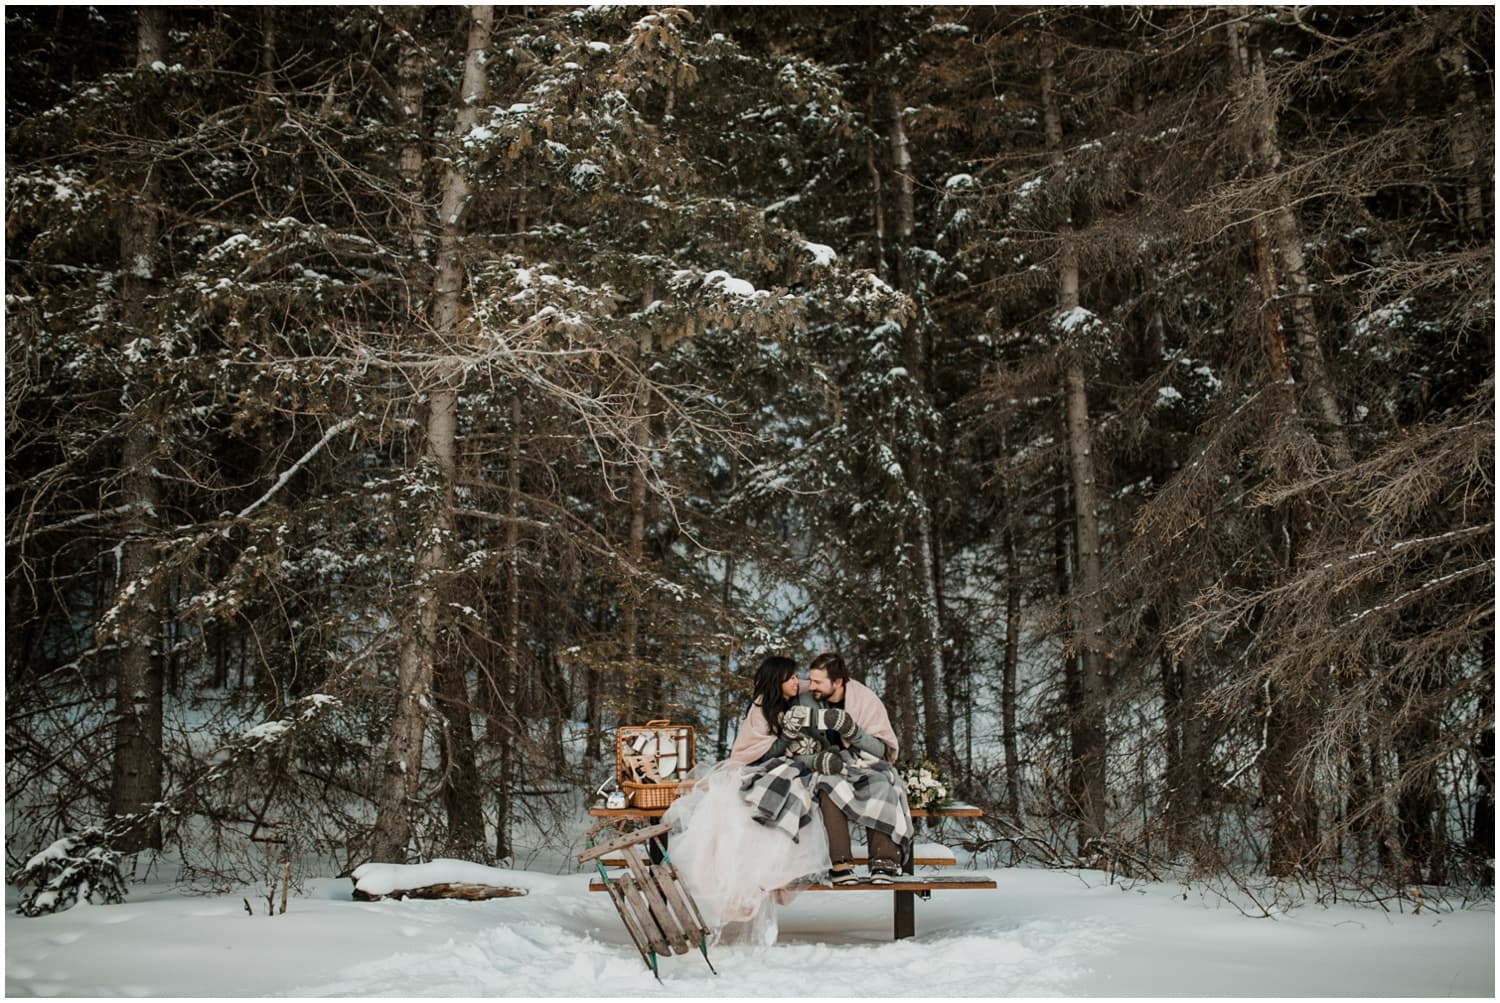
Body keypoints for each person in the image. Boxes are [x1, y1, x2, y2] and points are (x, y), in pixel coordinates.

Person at [661, 656, 829, 944]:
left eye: (796, 678)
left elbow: (806, 686)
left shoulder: (790, 700)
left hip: (779, 768)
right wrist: (788, 738)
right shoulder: (761, 709)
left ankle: (769, 878)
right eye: (790, 678)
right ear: (777, 681)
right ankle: (741, 889)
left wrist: (826, 682)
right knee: (742, 821)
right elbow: (758, 753)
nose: (796, 682)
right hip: (752, 769)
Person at [789, 650, 911, 884]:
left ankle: (884, 861)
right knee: (827, 786)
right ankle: (841, 863)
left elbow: (881, 751)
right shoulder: (805, 698)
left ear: (837, 682)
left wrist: (851, 730)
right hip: (825, 764)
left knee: (882, 783)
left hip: (861, 762)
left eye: (817, 682)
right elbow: (794, 737)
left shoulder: (864, 700)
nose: (810, 686)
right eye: (810, 680)